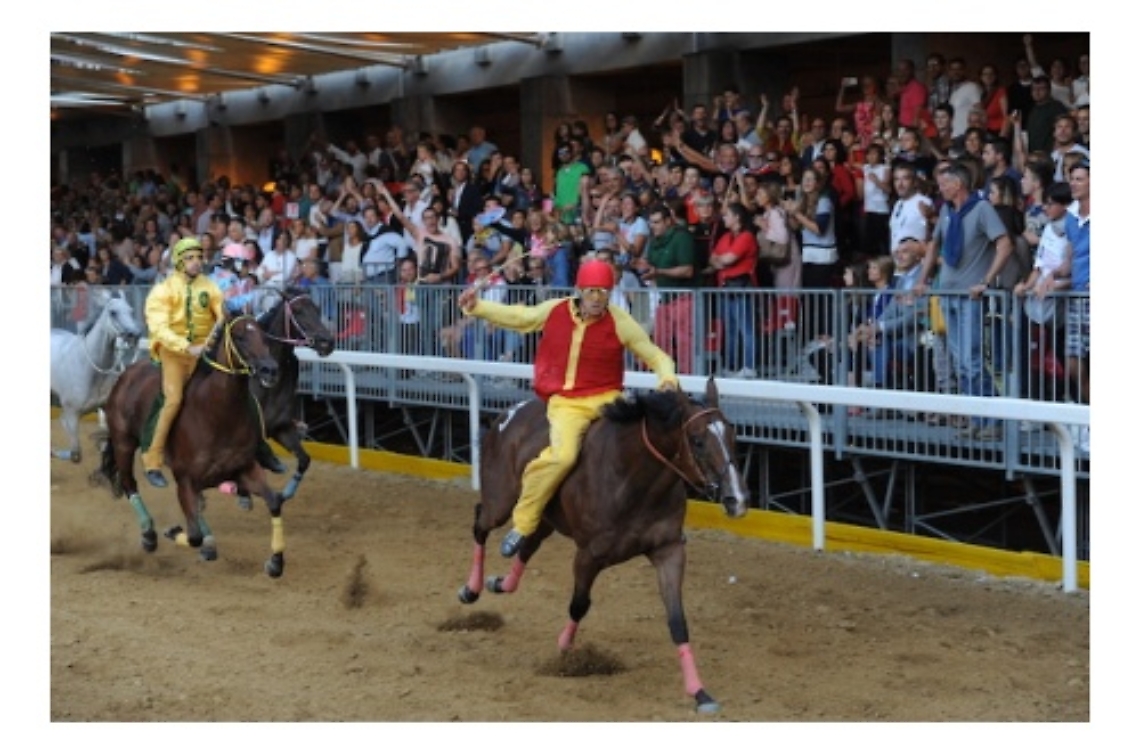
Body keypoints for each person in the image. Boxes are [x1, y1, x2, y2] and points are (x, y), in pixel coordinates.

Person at [456, 258, 680, 557]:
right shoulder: (555, 309)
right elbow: (520, 317)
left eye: (603, 293)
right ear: (579, 290)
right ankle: (523, 524)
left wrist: (667, 378)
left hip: (607, 399)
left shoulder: (621, 322)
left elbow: (655, 355)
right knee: (562, 456)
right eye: (592, 292)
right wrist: (477, 307)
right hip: (567, 404)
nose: (597, 300)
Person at [918, 161, 1013, 441]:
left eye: (944, 184)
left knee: (971, 360)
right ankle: (977, 418)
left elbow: (1004, 244)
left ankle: (992, 418)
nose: (941, 188)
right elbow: (934, 244)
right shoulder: (947, 210)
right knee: (961, 363)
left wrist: (985, 281)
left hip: (969, 297)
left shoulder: (982, 208)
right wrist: (922, 280)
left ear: (957, 185)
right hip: (948, 294)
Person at [140, 236, 226, 488]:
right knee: (173, 399)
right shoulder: (163, 290)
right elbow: (159, 328)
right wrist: (188, 347)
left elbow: (221, 312)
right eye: (190, 258)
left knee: (239, 382)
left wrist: (223, 319)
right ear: (179, 262)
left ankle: (259, 447)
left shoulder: (210, 286)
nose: (196, 262)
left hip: (206, 353)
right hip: (174, 354)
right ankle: (153, 459)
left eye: (199, 257)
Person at [638, 203, 697, 375]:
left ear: (668, 221)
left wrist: (659, 272)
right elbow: (651, 265)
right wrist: (643, 266)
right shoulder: (654, 241)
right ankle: (664, 377)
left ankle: (688, 381)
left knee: (684, 342)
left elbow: (687, 270)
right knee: (661, 340)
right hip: (664, 297)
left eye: (657, 222)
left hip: (684, 297)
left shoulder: (682, 238)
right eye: (651, 223)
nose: (653, 226)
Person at [707, 201, 759, 378]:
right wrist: (720, 260)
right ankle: (730, 366)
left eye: (727, 214)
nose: (724, 218)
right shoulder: (726, 236)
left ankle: (749, 366)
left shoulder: (747, 236)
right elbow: (713, 258)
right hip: (725, 287)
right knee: (729, 328)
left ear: (737, 217)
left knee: (745, 328)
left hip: (742, 287)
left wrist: (721, 261)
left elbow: (727, 259)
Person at [1062, 160, 1089, 451]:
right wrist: (1049, 277)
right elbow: (1069, 258)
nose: (1074, 183)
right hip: (1077, 297)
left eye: (1080, 178)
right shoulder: (1071, 217)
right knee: (1073, 363)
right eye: (1072, 178)